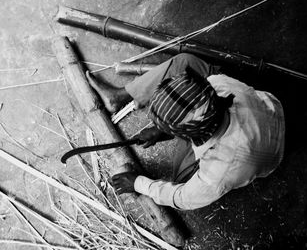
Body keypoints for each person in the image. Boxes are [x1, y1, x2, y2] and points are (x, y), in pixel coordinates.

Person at [87, 53, 285, 210]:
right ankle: (118, 96)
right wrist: (161, 131)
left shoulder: (219, 171)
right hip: (266, 111)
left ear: (189, 136)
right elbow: (194, 112)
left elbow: (182, 198)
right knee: (185, 62)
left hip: (267, 151)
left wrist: (138, 183)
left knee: (179, 178)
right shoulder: (218, 86)